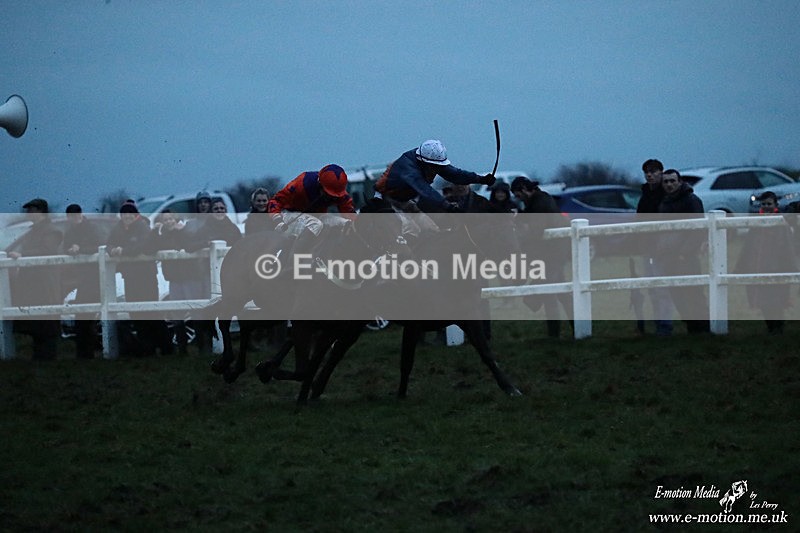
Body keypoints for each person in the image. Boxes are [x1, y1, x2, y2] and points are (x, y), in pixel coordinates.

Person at [510, 177, 573, 338]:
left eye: (518, 194)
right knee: (561, 293)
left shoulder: (540, 202)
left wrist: (523, 241)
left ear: (524, 189)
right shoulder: (541, 199)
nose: (518, 198)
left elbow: (536, 231)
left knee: (550, 293)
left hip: (552, 253)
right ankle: (576, 328)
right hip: (555, 252)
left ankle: (555, 333)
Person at [107, 202, 172, 356]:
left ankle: (167, 347)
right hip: (130, 277)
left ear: (136, 215)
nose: (127, 217)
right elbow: (109, 243)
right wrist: (112, 250)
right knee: (136, 313)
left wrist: (123, 250)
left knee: (151, 313)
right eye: (124, 214)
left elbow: (142, 246)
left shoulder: (143, 227)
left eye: (130, 214)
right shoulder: (118, 229)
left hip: (146, 276)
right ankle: (147, 348)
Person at [374, 139, 496, 213]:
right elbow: (426, 191)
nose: (439, 169)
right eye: (435, 166)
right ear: (423, 162)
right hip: (386, 201)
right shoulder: (409, 170)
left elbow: (455, 174)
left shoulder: (430, 162)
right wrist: (448, 207)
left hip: (407, 201)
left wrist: (481, 179)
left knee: (430, 230)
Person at [656, 169, 710, 334]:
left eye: (672, 181)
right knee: (676, 294)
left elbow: (698, 229)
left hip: (686, 257)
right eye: (666, 182)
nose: (669, 184)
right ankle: (691, 328)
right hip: (668, 257)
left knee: (694, 293)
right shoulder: (664, 203)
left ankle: (703, 329)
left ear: (679, 182)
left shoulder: (691, 200)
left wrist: (684, 253)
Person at [735, 191, 797, 334]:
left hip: (778, 268)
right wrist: (741, 266)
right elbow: (748, 247)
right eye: (763, 204)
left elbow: (788, 248)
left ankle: (778, 329)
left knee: (777, 302)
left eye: (769, 204)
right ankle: (771, 328)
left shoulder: (782, 223)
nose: (766, 206)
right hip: (759, 268)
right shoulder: (756, 223)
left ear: (776, 204)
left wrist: (791, 269)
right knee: (763, 302)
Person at [8, 198, 63, 360]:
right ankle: (39, 357)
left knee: (46, 323)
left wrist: (23, 255)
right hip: (33, 283)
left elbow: (47, 250)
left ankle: (47, 357)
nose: (29, 214)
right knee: (36, 324)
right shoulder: (33, 231)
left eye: (32, 210)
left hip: (44, 283)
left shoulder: (52, 231)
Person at [636, 158, 673, 336]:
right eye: (647, 172)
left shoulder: (665, 195)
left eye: (653, 171)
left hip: (664, 248)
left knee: (662, 287)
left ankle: (665, 324)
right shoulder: (645, 195)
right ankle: (659, 321)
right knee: (652, 286)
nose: (649, 175)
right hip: (648, 247)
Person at [63, 203, 103, 358]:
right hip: (81, 278)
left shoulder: (91, 228)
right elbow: (66, 246)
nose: (73, 219)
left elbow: (97, 246)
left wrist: (80, 249)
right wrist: (70, 249)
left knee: (86, 317)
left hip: (93, 277)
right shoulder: (71, 231)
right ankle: (85, 353)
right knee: (83, 317)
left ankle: (87, 353)